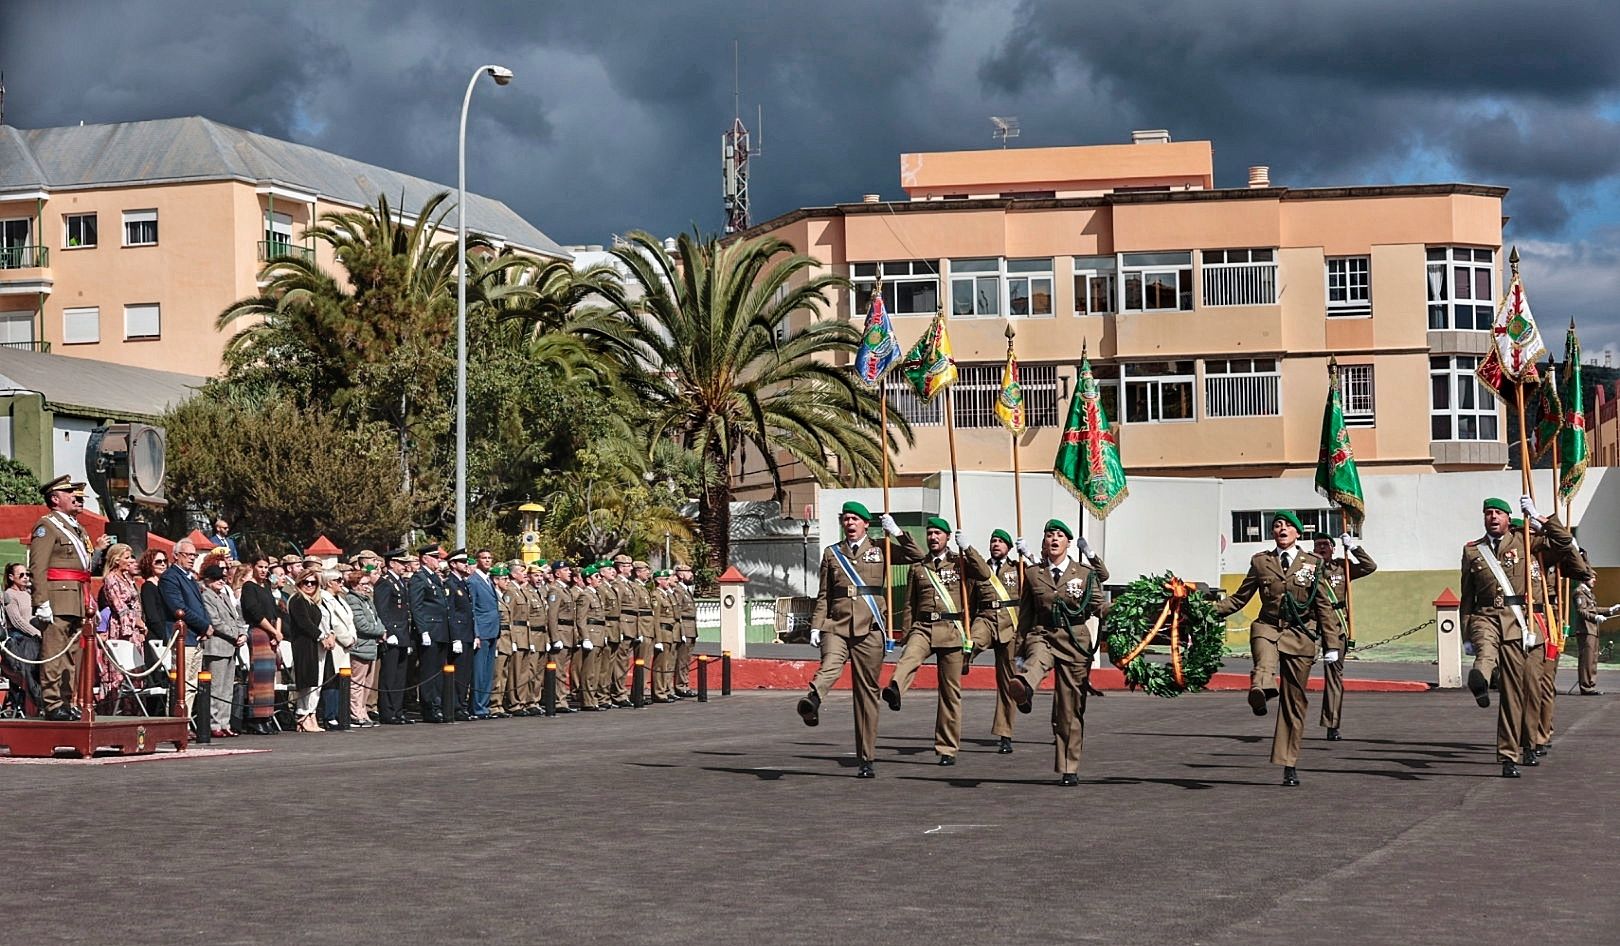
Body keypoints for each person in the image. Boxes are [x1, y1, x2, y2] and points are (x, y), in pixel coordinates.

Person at [1459, 496, 1589, 776]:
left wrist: (1541, 518)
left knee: (1516, 691)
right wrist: (1466, 634)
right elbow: (1466, 597)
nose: (1492, 517)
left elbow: (1565, 544)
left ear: (1508, 518)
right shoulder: (1473, 551)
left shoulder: (1526, 543)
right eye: (1488, 513)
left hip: (1521, 622)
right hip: (1486, 616)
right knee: (1485, 652)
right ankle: (1479, 680)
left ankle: (1521, 747)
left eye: (1498, 513)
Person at [1212, 511, 1341, 786]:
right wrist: (1204, 610)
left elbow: (1323, 607)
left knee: (1294, 702)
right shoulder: (1261, 562)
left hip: (1300, 634)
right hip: (1267, 627)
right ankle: (1261, 691)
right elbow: (1239, 599)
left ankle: (1288, 763)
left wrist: (1331, 644)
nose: (1281, 529)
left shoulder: (1312, 563)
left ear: (1297, 533)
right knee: (1264, 666)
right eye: (1276, 526)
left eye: (1286, 526)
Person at [798, 502, 924, 778]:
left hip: (870, 628)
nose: (850, 523)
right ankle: (813, 699)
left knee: (867, 693)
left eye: (855, 519)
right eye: (846, 519)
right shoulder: (832, 554)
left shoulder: (882, 548)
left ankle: (866, 757)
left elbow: (917, 556)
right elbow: (824, 595)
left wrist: (898, 533)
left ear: (867, 524)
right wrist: (817, 626)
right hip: (837, 624)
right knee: (830, 664)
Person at [1005, 519, 1110, 786]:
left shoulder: (1084, 574)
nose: (1054, 539)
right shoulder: (1032, 573)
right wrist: (1019, 651)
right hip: (1044, 633)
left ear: (1068, 543)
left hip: (1075, 641)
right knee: (1035, 661)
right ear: (1044, 542)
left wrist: (1122, 611)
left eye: (1059, 536)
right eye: (1049, 535)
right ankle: (1024, 686)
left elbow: (1098, 605)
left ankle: (1068, 766)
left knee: (1069, 709)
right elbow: (1026, 615)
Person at [883, 516, 972, 765]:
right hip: (923, 626)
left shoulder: (960, 563)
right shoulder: (919, 566)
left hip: (952, 629)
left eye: (937, 534)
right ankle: (895, 690)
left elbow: (984, 573)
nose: (933, 537)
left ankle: (946, 748)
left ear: (947, 537)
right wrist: (907, 632)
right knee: (909, 657)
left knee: (950, 693)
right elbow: (910, 603)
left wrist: (968, 548)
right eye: (930, 533)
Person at [27, 476, 97, 721]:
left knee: (72, 655)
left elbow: (84, 568)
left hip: (77, 597)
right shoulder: (46, 526)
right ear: (55, 499)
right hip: (57, 598)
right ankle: (52, 702)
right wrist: (41, 601)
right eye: (69, 493)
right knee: (55, 652)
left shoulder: (75, 527)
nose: (75, 497)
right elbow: (37, 567)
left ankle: (67, 700)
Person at [961, 528, 1023, 754]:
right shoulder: (980, 568)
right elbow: (969, 599)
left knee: (1008, 682)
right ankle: (966, 658)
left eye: (1000, 541)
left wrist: (1030, 555)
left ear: (1008, 547)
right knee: (972, 641)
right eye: (993, 541)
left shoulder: (1019, 568)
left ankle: (1005, 734)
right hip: (985, 619)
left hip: (1010, 624)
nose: (996, 544)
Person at [1312, 532, 1377, 741]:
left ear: (1333, 548)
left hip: (1337, 627)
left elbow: (1369, 567)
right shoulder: (1308, 567)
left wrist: (1353, 548)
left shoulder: (1342, 567)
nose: (1321, 548)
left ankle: (1332, 724)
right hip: (1312, 627)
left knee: (1334, 677)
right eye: (1318, 545)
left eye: (1325, 544)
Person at [159, 539, 214, 722]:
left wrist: (206, 625)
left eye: (194, 555)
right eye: (188, 555)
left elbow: (199, 605)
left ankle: (186, 721)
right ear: (176, 555)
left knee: (191, 684)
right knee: (180, 682)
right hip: (182, 636)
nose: (192, 558)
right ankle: (175, 721)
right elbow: (179, 607)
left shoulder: (190, 578)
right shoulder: (170, 577)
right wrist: (203, 625)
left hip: (195, 637)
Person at [198, 562, 247, 737]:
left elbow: (237, 617)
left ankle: (225, 723)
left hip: (230, 648)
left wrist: (242, 633)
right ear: (208, 580)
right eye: (216, 578)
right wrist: (235, 634)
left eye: (223, 578)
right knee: (216, 688)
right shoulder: (206, 596)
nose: (221, 581)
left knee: (227, 689)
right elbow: (215, 621)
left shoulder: (225, 596)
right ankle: (213, 724)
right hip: (216, 647)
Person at [96, 542, 148, 705]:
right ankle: (117, 705)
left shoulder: (127, 578)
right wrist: (136, 621)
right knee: (119, 671)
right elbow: (119, 605)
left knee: (135, 670)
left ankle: (134, 707)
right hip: (120, 628)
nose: (130, 560)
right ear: (117, 560)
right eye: (126, 558)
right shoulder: (111, 579)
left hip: (135, 630)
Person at [238, 556, 282, 734]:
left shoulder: (267, 588)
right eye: (260, 567)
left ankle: (266, 716)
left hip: (271, 632)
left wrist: (277, 634)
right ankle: (256, 718)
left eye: (266, 567)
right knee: (258, 676)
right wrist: (273, 631)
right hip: (259, 631)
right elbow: (255, 612)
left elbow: (275, 611)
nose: (264, 570)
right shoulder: (249, 587)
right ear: (253, 567)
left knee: (269, 677)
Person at [409, 544, 451, 723]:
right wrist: (423, 630)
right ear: (425, 558)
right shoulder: (419, 578)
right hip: (430, 631)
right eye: (435, 557)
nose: (438, 561)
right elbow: (417, 606)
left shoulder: (434, 578)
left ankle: (437, 702)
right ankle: (429, 707)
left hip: (441, 630)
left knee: (439, 671)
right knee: (428, 671)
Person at [373, 549, 413, 725]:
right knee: (389, 675)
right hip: (393, 634)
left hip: (403, 633)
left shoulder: (399, 582)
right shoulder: (385, 582)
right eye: (401, 563)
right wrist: (388, 631)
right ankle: (388, 711)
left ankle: (397, 710)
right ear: (391, 563)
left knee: (400, 675)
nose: (404, 566)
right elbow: (382, 609)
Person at [285, 570, 327, 733]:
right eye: (306, 582)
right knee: (307, 682)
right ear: (299, 583)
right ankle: (303, 714)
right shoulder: (297, 600)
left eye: (313, 583)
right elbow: (304, 623)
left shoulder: (313, 601)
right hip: (303, 644)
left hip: (315, 644)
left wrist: (327, 635)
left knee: (316, 682)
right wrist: (321, 636)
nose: (309, 585)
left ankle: (312, 713)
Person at [343, 570, 383, 727]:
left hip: (371, 646)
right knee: (357, 683)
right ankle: (355, 712)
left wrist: (381, 629)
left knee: (368, 682)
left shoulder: (367, 600)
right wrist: (380, 631)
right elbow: (362, 624)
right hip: (360, 646)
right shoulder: (353, 600)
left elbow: (376, 618)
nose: (367, 587)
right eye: (364, 584)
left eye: (368, 584)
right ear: (354, 584)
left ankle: (363, 710)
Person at [318, 570, 356, 729]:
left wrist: (353, 637)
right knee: (331, 680)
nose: (341, 583)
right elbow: (334, 623)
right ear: (328, 582)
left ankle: (341, 714)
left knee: (342, 680)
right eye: (337, 580)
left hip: (346, 644)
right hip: (336, 644)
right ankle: (330, 715)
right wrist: (347, 639)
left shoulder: (340, 599)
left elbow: (349, 620)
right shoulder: (324, 598)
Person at [1572, 565, 1619, 696]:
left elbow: (1594, 609)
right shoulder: (1579, 592)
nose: (1594, 580)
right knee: (1586, 660)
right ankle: (1586, 687)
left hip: (1592, 630)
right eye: (1592, 578)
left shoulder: (1589, 593)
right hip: (1585, 631)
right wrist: (1595, 617)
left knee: (1592, 659)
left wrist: (1610, 610)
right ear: (1585, 578)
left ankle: (1590, 686)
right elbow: (1581, 611)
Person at [3, 562, 42, 716]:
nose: (26, 578)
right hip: (21, 640)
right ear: (12, 577)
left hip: (33, 637)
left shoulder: (29, 593)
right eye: (22, 575)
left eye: (27, 574)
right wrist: (37, 633)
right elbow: (17, 621)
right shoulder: (9, 595)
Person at [468, 548, 501, 719]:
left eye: (490, 558)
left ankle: (484, 705)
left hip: (492, 630)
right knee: (479, 672)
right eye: (484, 558)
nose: (487, 561)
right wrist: (476, 634)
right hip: (482, 631)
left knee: (488, 672)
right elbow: (472, 609)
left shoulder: (487, 580)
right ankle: (478, 706)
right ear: (477, 560)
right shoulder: (473, 581)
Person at [445, 550, 475, 720]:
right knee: (458, 673)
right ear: (453, 564)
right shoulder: (450, 584)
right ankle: (455, 706)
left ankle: (461, 705)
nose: (466, 564)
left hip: (467, 634)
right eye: (462, 561)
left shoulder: (462, 584)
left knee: (465, 673)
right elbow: (451, 613)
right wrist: (455, 637)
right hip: (459, 635)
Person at [672, 563, 698, 698]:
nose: (691, 574)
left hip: (691, 628)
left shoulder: (686, 590)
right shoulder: (678, 591)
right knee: (681, 659)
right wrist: (681, 632)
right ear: (680, 575)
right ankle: (680, 686)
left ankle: (684, 684)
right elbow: (678, 613)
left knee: (686, 659)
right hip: (685, 629)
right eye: (688, 572)